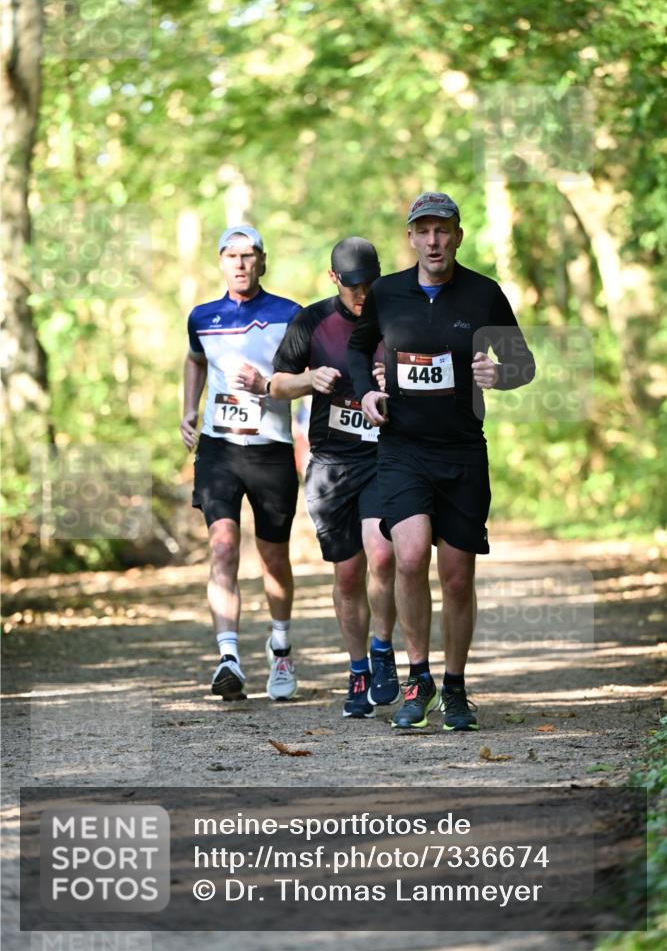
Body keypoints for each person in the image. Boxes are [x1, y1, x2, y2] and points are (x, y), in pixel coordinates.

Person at [348, 193, 536, 730]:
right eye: (423, 231)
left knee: (456, 576)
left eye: (443, 230)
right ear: (410, 238)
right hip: (402, 447)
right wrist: (364, 393)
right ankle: (418, 677)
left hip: (461, 451)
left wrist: (501, 376)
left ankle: (454, 688)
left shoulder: (484, 294)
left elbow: (523, 362)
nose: (433, 241)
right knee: (408, 558)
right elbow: (358, 352)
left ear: (457, 235)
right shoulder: (386, 294)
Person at [271, 237, 399, 718]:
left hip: (387, 456)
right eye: (352, 286)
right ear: (334, 280)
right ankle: (359, 667)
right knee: (348, 575)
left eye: (369, 284)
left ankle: (384, 652)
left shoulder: (396, 316)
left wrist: (396, 384)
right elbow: (276, 382)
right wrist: (311, 380)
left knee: (383, 555)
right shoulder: (313, 321)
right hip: (333, 462)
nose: (362, 294)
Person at [180, 224, 302, 703]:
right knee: (223, 547)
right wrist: (189, 409)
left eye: (248, 255)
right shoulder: (202, 317)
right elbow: (194, 360)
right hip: (219, 450)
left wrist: (269, 384)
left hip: (271, 450)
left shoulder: (290, 314)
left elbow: (308, 375)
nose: (240, 263)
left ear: (262, 261)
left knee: (273, 558)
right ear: (220, 262)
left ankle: (281, 646)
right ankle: (228, 657)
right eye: (231, 255)